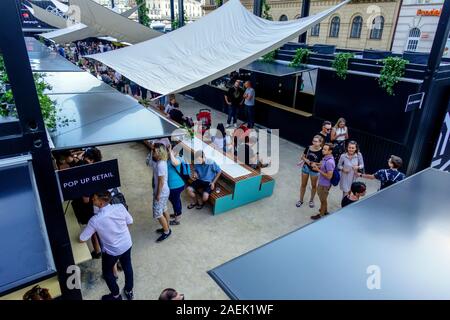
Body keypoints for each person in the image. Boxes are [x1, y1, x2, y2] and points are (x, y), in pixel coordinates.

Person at [80, 191, 134, 300]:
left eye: (94, 199)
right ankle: (129, 290)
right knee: (127, 266)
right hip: (127, 244)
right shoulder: (120, 207)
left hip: (112, 251)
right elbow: (130, 221)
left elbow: (82, 238)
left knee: (107, 272)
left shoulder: (95, 220)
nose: (92, 200)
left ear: (100, 203)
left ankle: (115, 296)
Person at [151, 144, 172, 242]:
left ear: (159, 152)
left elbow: (161, 182)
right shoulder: (162, 161)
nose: (153, 153)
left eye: (154, 151)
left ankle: (166, 231)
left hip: (161, 192)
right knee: (164, 208)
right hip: (165, 191)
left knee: (158, 213)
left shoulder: (160, 165)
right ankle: (166, 227)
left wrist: (158, 194)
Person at [297, 135, 324, 208]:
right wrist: (307, 161)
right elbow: (302, 157)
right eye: (313, 141)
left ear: (320, 143)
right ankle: (301, 200)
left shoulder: (322, 151)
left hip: (314, 171)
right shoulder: (308, 147)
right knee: (303, 185)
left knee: (314, 186)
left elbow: (322, 163)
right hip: (306, 168)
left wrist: (315, 165)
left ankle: (311, 200)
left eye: (316, 141)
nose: (314, 143)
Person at [310, 143, 335, 220]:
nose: (323, 150)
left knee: (323, 201)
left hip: (325, 184)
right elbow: (322, 165)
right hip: (322, 183)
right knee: (324, 199)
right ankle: (325, 211)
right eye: (323, 149)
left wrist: (318, 170)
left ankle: (321, 215)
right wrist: (317, 164)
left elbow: (329, 176)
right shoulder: (326, 158)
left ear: (330, 151)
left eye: (325, 149)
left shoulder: (329, 162)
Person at [167, 144, 190, 225]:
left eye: (171, 150)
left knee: (175, 201)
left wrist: (170, 151)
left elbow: (175, 163)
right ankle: (177, 213)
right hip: (172, 186)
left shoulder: (179, 158)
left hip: (176, 186)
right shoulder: (170, 158)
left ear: (176, 151)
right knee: (175, 200)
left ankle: (177, 219)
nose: (168, 152)